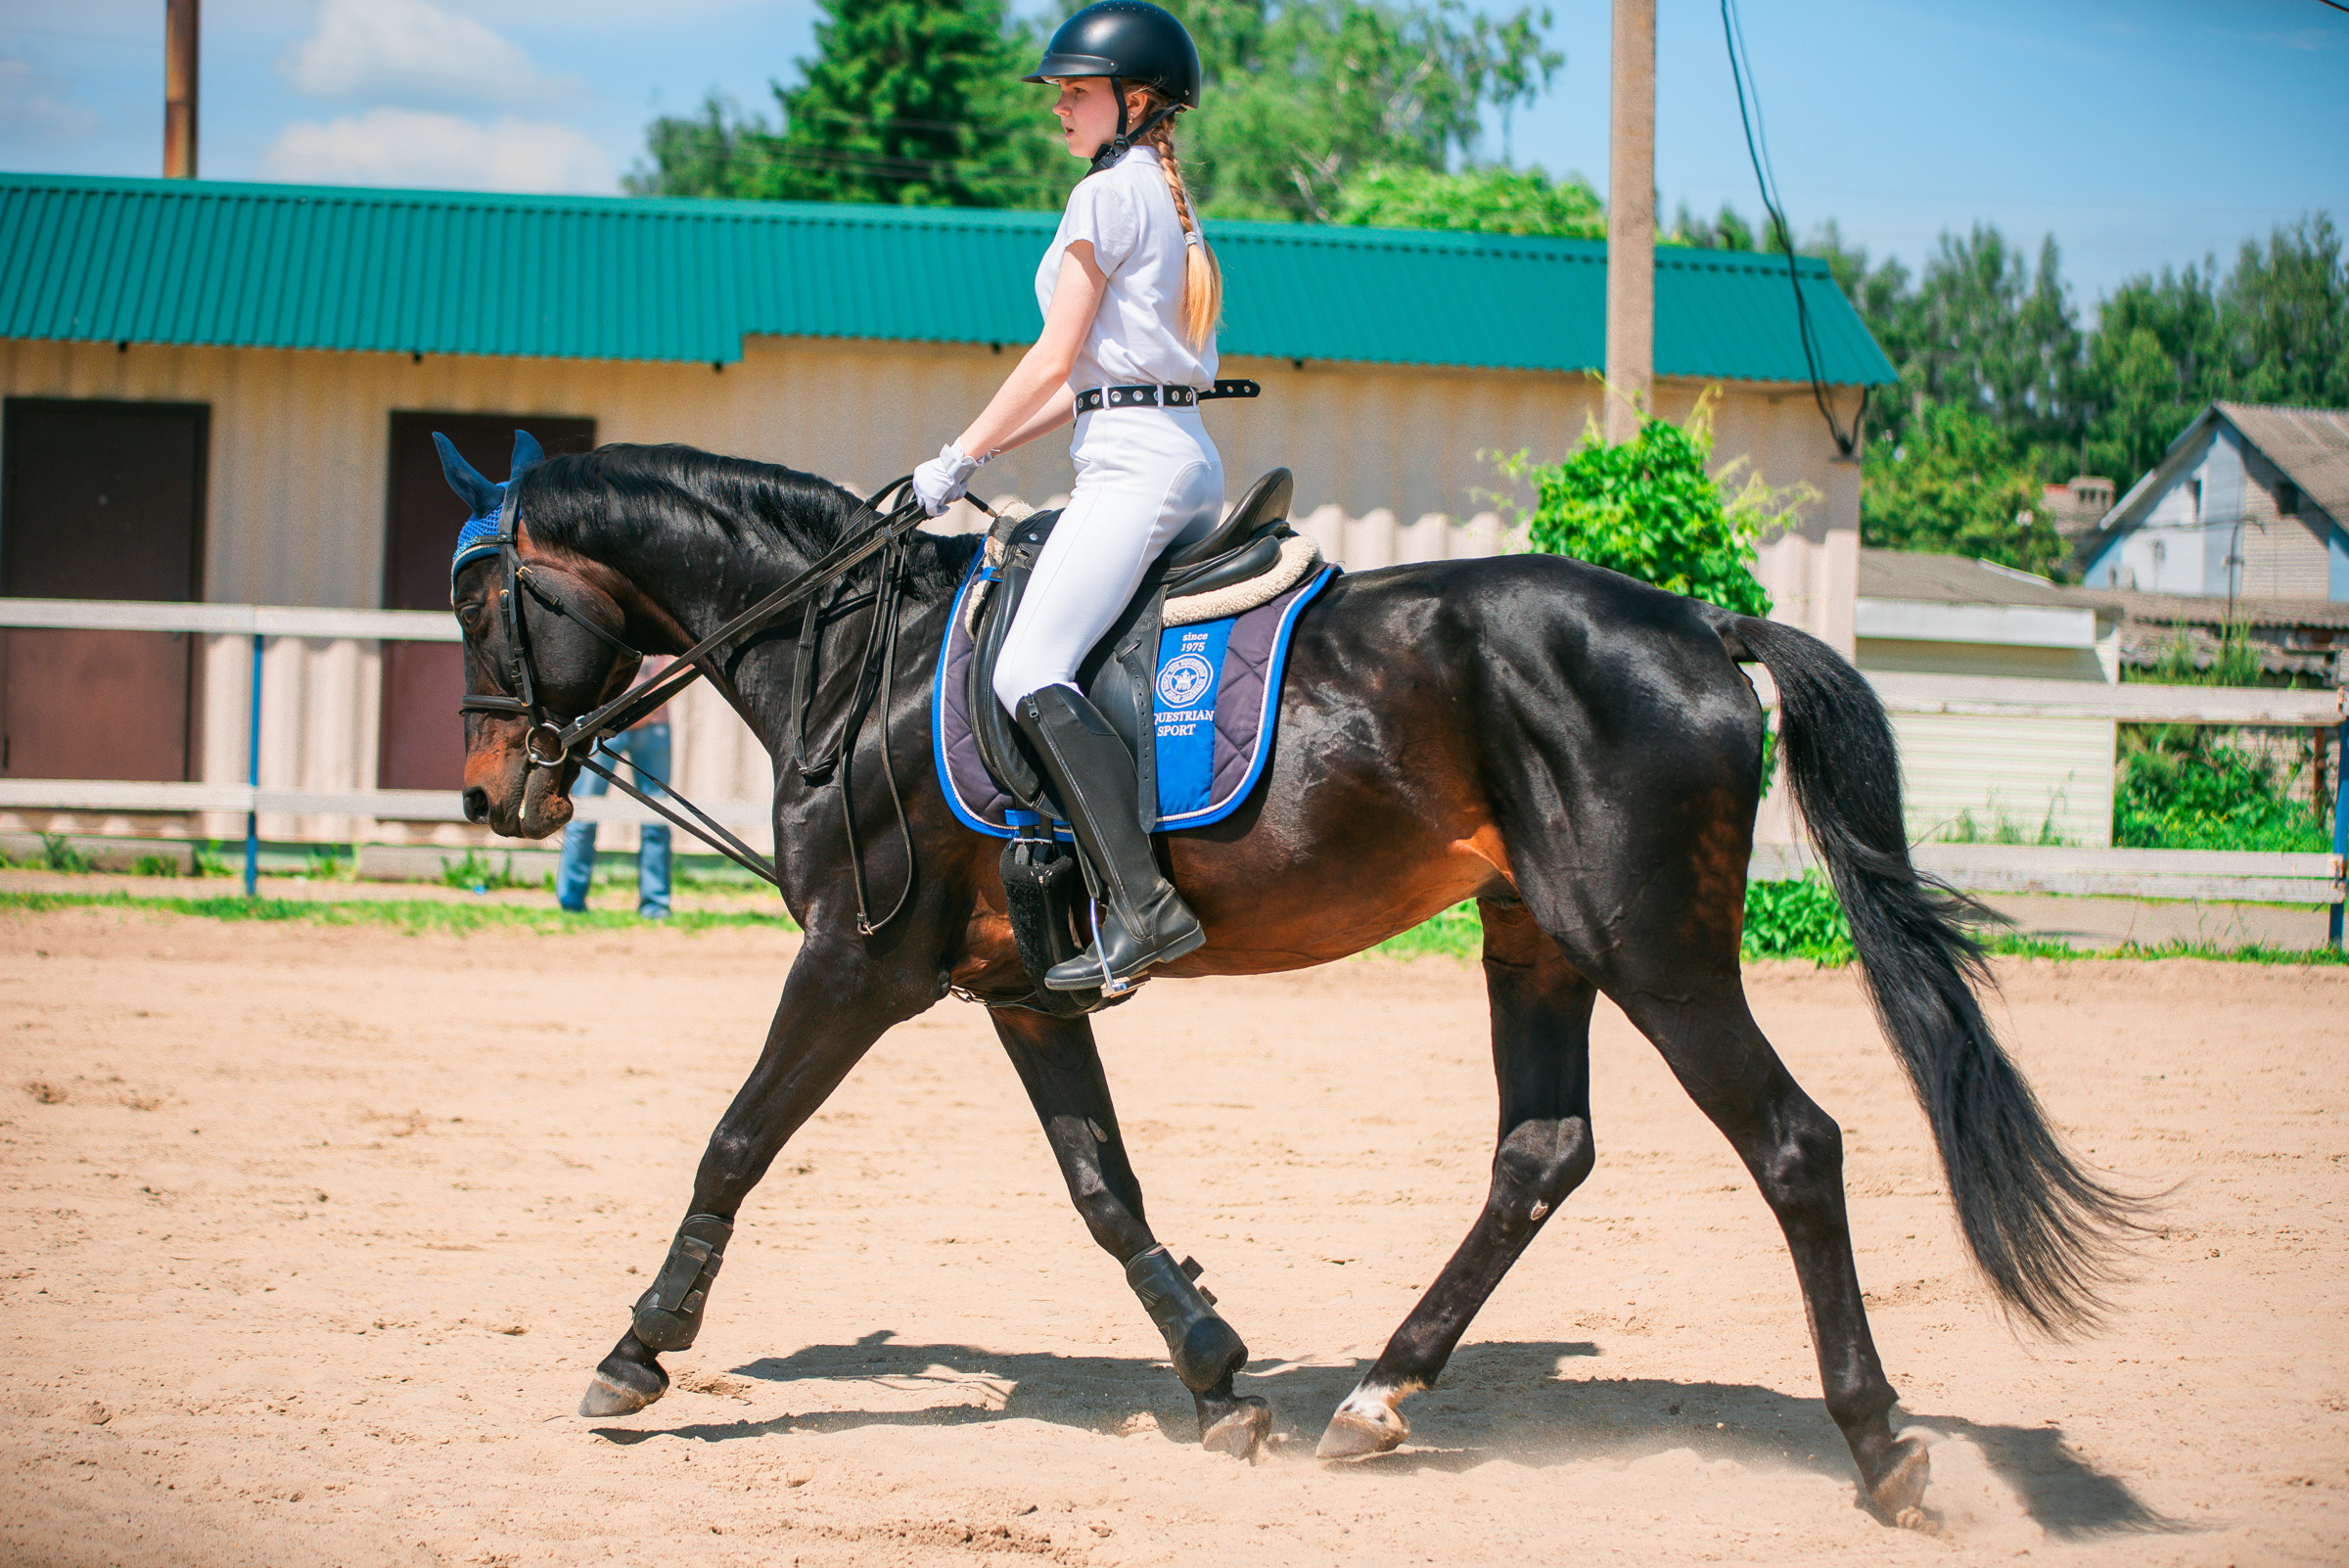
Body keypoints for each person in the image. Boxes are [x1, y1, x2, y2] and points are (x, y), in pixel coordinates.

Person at [911, 0, 1222, 994]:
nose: (1059, 107)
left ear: (1137, 101)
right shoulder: (1159, 197)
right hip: (1174, 450)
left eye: (1077, 92)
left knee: (1027, 667)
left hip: (1135, 466)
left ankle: (1144, 904)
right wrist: (977, 457)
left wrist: (956, 456)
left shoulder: (1104, 196)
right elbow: (1083, 384)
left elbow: (1052, 359)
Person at [554, 657, 672, 918]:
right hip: (604, 722)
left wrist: (648, 704)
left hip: (654, 723)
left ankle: (655, 904)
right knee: (583, 811)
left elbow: (682, 659)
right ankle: (571, 901)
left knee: (657, 818)